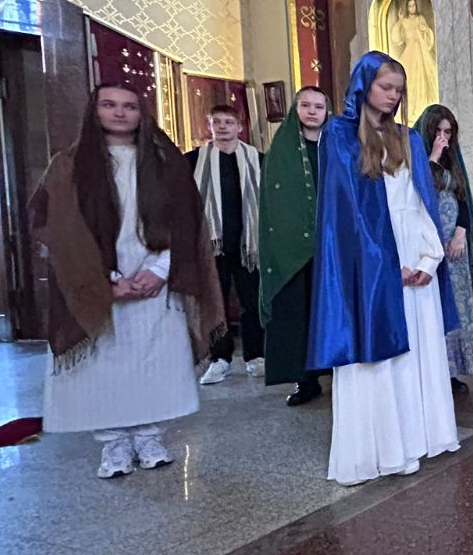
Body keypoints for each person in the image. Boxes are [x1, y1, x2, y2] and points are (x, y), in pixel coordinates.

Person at [31, 84, 223, 478]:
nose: (119, 113)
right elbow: (60, 230)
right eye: (109, 105)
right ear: (94, 111)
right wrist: (104, 280)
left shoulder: (166, 162)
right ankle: (113, 444)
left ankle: (150, 438)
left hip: (156, 276)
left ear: (142, 113)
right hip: (97, 281)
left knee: (155, 361)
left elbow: (187, 223)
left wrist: (160, 269)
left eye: (129, 106)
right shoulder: (68, 165)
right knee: (105, 367)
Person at [309, 52, 460, 486]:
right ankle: (385, 449)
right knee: (378, 359)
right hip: (370, 263)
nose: (393, 96)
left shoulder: (407, 137)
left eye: (399, 90)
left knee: (419, 352)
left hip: (416, 255)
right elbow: (344, 214)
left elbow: (420, 201)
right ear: (364, 85)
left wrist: (429, 258)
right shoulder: (339, 135)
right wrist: (387, 266)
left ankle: (420, 438)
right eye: (385, 87)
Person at [258, 86, 329, 407]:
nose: (312, 111)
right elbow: (274, 200)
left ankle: (338, 369)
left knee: (329, 311)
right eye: (305, 105)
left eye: (318, 106)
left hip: (332, 246)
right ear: (295, 110)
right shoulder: (281, 150)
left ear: (327, 111)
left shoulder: (337, 146)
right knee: (298, 312)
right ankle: (306, 380)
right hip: (293, 249)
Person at [189, 105, 265, 384]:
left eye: (229, 122)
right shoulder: (194, 160)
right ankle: (219, 359)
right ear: (209, 126)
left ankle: (255, 356)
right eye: (217, 122)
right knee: (215, 303)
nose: (222, 127)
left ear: (239, 127)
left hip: (248, 245)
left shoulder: (257, 159)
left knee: (252, 302)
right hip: (212, 245)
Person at [414, 104, 473, 394]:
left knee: (458, 306)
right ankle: (435, 372)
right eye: (438, 132)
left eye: (448, 132)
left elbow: (463, 199)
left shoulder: (453, 161)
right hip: (428, 248)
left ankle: (453, 371)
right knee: (436, 308)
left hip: (454, 249)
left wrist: (460, 235)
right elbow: (419, 195)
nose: (443, 138)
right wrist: (431, 157)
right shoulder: (416, 161)